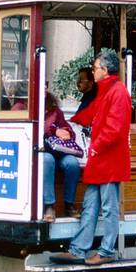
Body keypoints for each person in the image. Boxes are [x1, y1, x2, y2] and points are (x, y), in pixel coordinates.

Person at [53, 50, 132, 265]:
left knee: (108, 207)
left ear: (105, 70)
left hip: (108, 159)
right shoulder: (108, 90)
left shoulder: (117, 92)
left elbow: (115, 128)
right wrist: (67, 123)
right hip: (102, 159)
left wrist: (96, 146)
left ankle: (106, 251)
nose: (93, 71)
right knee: (91, 205)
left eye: (95, 67)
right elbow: (90, 114)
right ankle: (79, 248)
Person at [42, 91, 83, 222]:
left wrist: (67, 132)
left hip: (59, 152)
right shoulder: (24, 106)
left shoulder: (55, 110)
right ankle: (49, 205)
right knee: (47, 160)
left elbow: (66, 127)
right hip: (41, 152)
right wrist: (55, 131)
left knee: (72, 163)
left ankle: (69, 204)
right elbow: (39, 127)